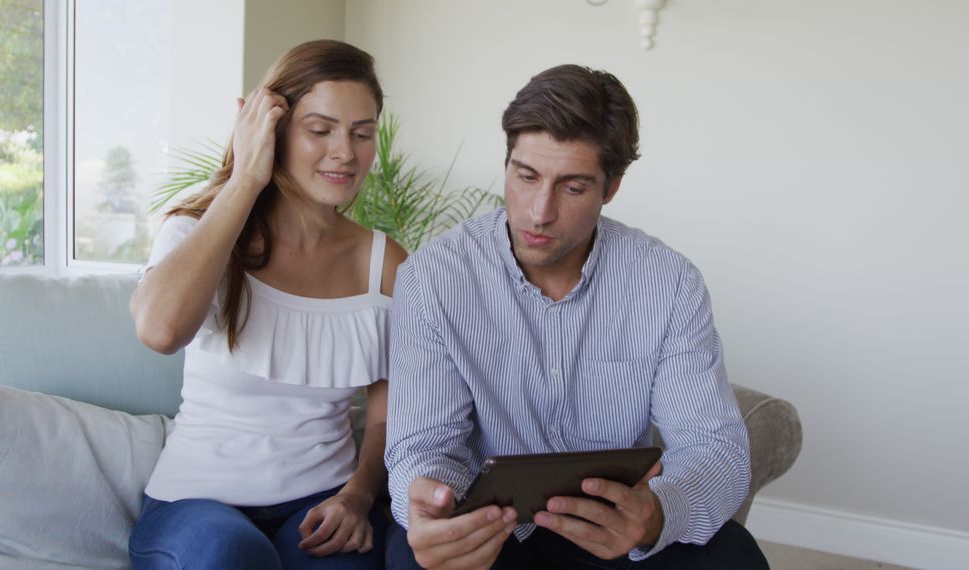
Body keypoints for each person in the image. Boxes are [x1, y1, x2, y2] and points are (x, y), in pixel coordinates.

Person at [384, 65, 768, 569]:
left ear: (610, 188)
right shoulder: (433, 278)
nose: (539, 212)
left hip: (613, 528)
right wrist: (438, 507)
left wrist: (653, 516)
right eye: (526, 177)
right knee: (411, 559)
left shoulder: (668, 283)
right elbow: (425, 443)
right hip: (493, 529)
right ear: (507, 165)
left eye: (572, 188)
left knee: (735, 556)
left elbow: (712, 445)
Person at [128, 40, 405, 570]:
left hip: (321, 501)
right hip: (195, 505)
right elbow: (159, 331)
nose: (345, 153)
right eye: (320, 130)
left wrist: (358, 496)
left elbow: (387, 414)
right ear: (273, 131)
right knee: (231, 554)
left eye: (362, 133)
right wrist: (246, 180)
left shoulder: (386, 264)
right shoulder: (196, 231)